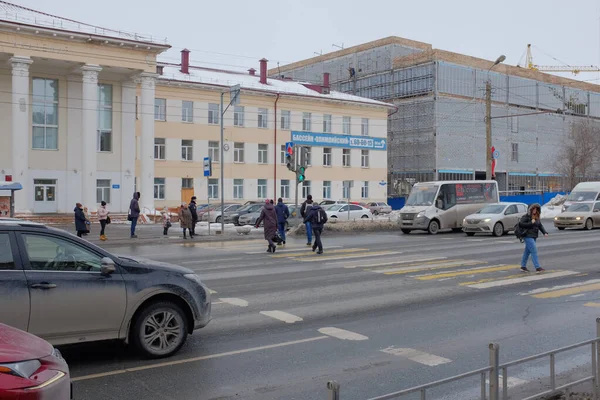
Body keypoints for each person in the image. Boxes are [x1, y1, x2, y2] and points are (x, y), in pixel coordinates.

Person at [519, 203, 548, 273]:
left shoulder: (536, 216)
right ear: (530, 209)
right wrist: (531, 223)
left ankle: (523, 266)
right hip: (527, 236)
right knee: (534, 250)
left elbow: (540, 225)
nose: (535, 210)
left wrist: (544, 232)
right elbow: (521, 224)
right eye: (533, 209)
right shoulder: (526, 217)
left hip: (534, 236)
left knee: (527, 251)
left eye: (536, 209)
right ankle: (537, 267)